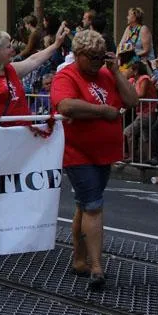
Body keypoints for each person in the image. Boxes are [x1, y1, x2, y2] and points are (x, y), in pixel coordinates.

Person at [51, 29, 138, 291]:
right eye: (93, 57)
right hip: (78, 152)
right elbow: (65, 105)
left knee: (84, 204)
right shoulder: (66, 75)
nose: (98, 62)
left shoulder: (106, 74)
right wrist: (102, 111)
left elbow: (132, 100)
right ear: (78, 55)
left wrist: (116, 72)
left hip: (104, 153)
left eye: (102, 56)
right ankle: (97, 267)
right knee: (93, 205)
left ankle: (79, 260)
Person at [0, 23, 70, 121]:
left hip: (21, 132)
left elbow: (34, 60)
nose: (13, 50)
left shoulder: (10, 69)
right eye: (8, 47)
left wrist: (56, 44)